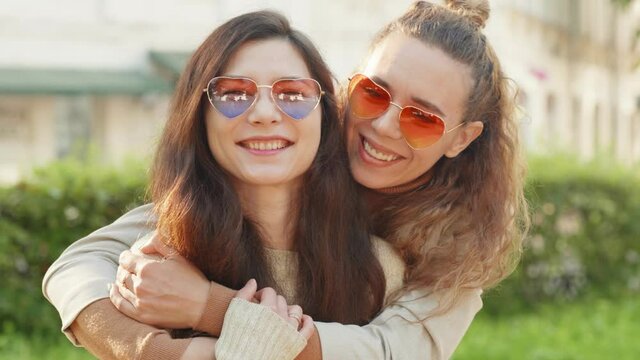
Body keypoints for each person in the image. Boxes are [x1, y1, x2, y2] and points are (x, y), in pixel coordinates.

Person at [43, 0, 528, 359]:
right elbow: (81, 264)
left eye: (422, 119)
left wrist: (211, 309)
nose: (382, 127)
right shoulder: (277, 156)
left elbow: (384, 352)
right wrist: (159, 351)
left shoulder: (453, 249)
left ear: (461, 139)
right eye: (373, 94)